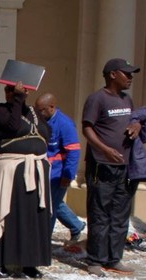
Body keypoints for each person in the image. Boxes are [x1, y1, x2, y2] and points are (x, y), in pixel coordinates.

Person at [81, 58, 142, 276]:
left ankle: (114, 258)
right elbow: (87, 129)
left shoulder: (127, 100)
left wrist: (137, 124)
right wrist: (105, 149)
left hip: (125, 167)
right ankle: (95, 260)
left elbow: (135, 120)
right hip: (102, 165)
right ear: (113, 74)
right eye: (127, 74)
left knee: (120, 213)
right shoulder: (97, 99)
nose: (131, 78)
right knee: (100, 212)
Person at [0, 81, 52, 279]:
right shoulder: (0, 111)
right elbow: (13, 127)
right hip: (14, 172)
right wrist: (17, 100)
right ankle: (5, 261)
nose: (12, 93)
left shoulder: (33, 112)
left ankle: (30, 263)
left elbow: (46, 134)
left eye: (16, 90)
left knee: (34, 217)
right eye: (9, 90)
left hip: (36, 170)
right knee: (13, 215)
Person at [35, 93, 86, 241]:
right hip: (44, 172)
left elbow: (74, 152)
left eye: (41, 110)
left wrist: (68, 175)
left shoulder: (64, 124)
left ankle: (43, 242)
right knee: (55, 203)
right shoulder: (42, 121)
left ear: (52, 107)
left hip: (58, 174)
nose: (39, 113)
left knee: (50, 207)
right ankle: (76, 225)